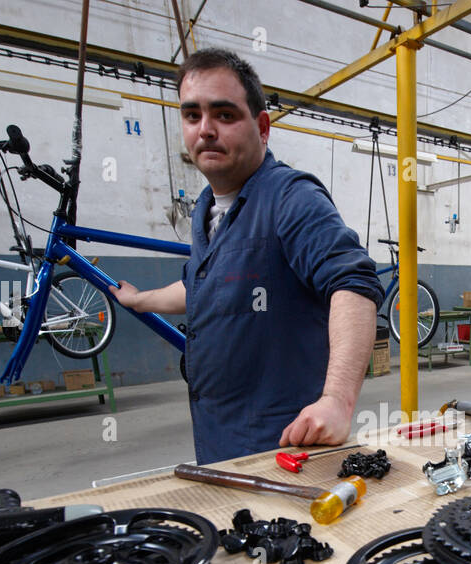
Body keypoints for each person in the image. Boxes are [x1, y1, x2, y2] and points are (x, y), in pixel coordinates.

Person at [111, 48, 384, 464]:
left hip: (282, 447)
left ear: (261, 127)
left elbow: (353, 284)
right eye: (192, 115)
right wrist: (139, 300)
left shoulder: (291, 198)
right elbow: (199, 286)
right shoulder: (205, 206)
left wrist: (337, 401)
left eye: (224, 115)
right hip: (218, 439)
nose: (205, 130)